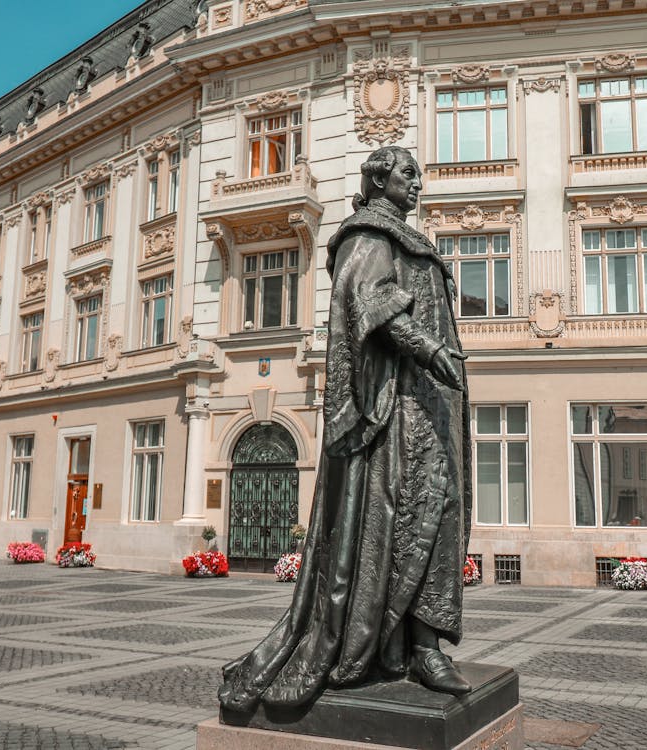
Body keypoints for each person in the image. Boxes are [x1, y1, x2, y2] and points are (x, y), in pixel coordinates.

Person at [220, 146, 472, 714]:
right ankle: (385, 644)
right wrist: (431, 349)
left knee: (440, 513)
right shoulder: (365, 235)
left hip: (430, 405)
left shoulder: (410, 239)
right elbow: (369, 304)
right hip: (393, 411)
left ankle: (424, 646)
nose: (418, 183)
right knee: (404, 514)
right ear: (379, 179)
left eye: (418, 173)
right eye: (409, 173)